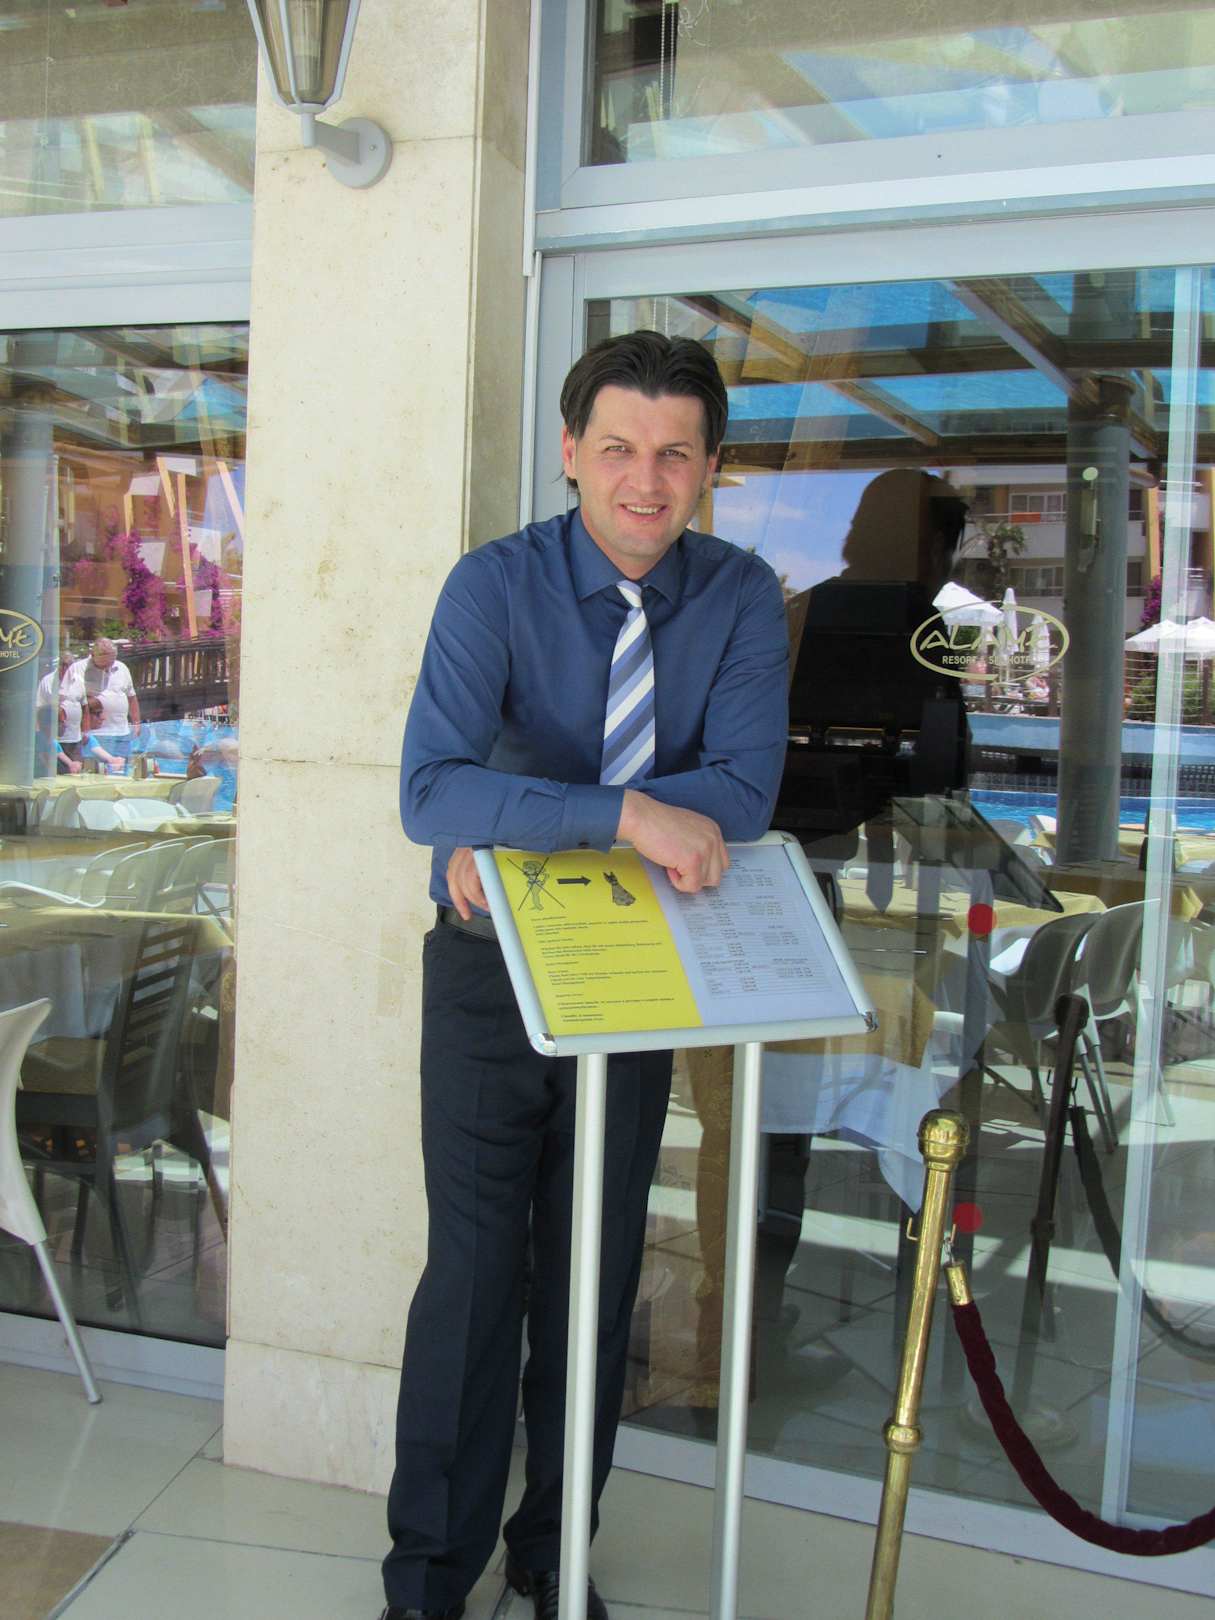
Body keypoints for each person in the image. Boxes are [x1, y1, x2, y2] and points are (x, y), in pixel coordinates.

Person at [384, 330, 789, 1620]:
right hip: (489, 971)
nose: (644, 481)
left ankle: (556, 1555)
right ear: (570, 452)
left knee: (594, 1273)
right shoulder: (492, 587)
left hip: (635, 972)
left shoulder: (740, 597)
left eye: (675, 454)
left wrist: (522, 823)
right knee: (473, 1279)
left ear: (710, 466)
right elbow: (430, 790)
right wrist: (625, 816)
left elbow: (742, 792)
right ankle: (429, 1581)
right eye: (617, 448)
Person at [68, 637, 141, 764]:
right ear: (92, 655)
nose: (108, 667)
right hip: (95, 734)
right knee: (99, 770)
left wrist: (136, 722)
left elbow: (131, 697)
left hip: (122, 732)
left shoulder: (122, 668)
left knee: (123, 769)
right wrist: (83, 729)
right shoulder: (78, 669)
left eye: (111, 662)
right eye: (104, 664)